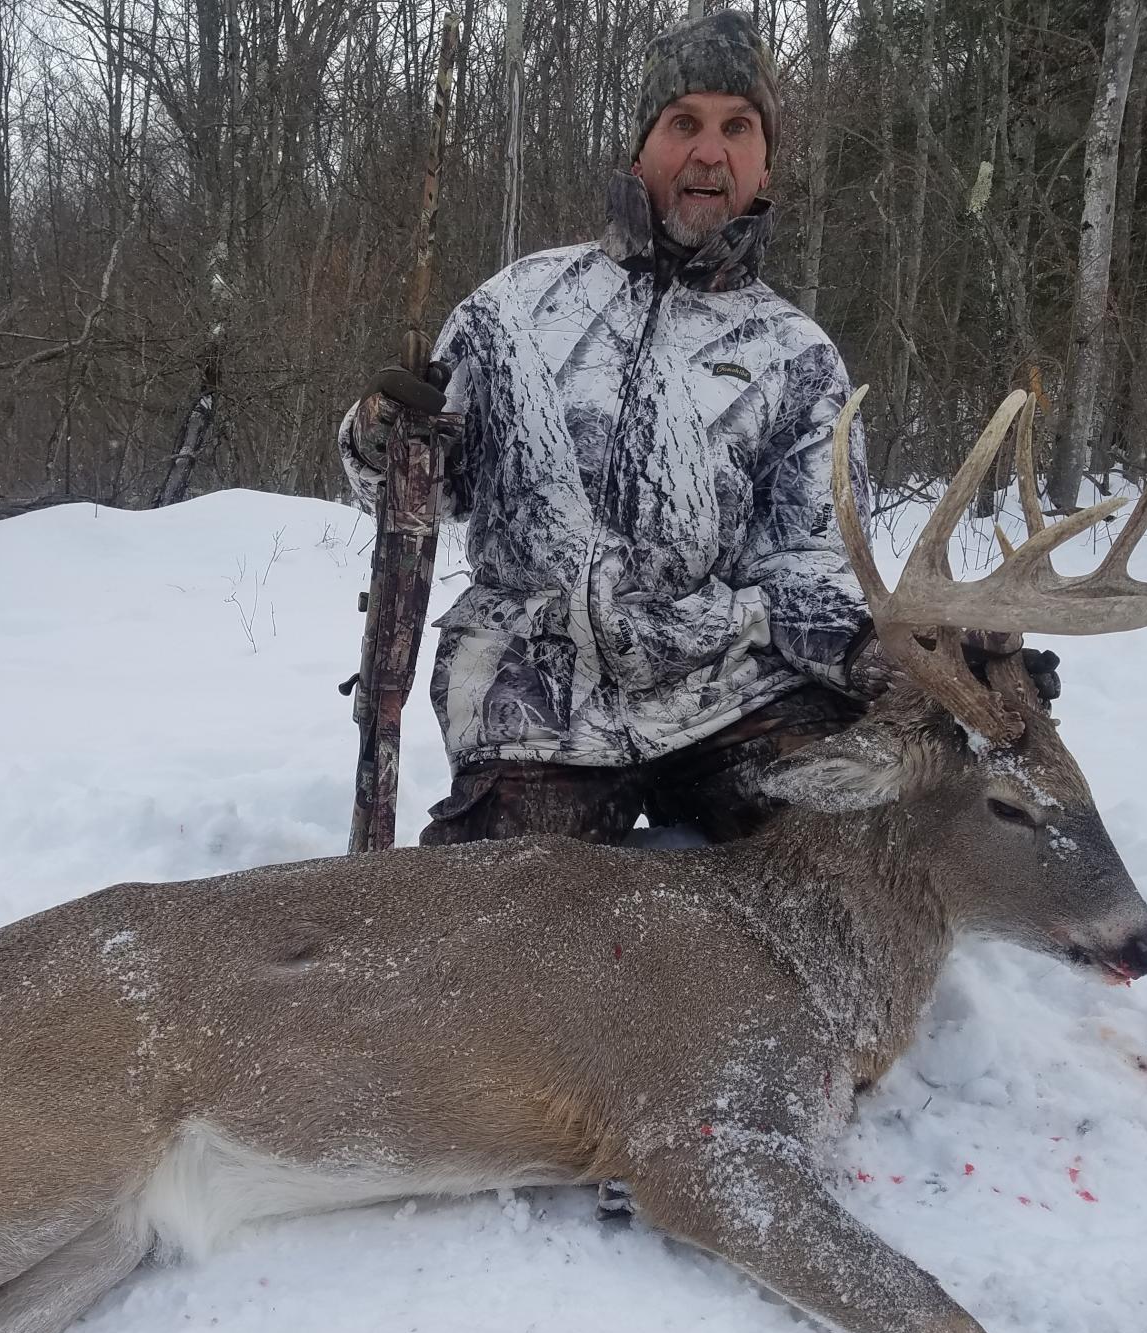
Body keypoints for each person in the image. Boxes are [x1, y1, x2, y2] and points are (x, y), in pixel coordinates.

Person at [340, 8, 1052, 851]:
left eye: (737, 127)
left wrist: (884, 650)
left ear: (764, 159)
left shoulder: (798, 358)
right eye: (684, 123)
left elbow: (803, 565)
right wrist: (383, 433)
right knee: (502, 934)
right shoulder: (516, 309)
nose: (710, 152)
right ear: (642, 147)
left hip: (730, 689)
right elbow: (424, 488)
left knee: (848, 858)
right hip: (537, 691)